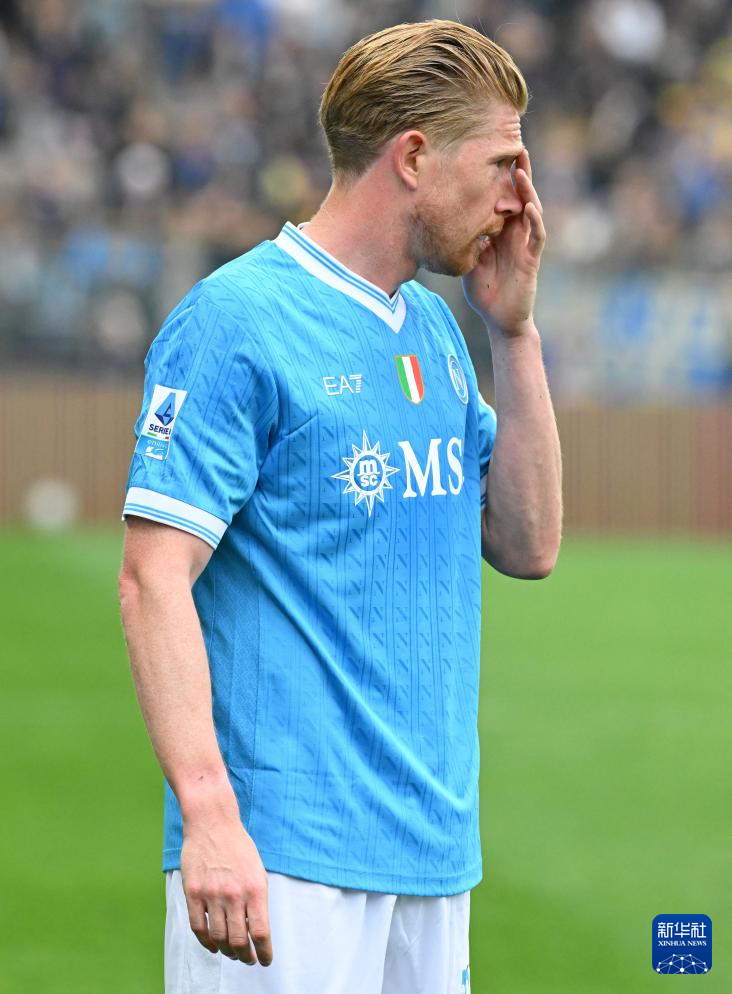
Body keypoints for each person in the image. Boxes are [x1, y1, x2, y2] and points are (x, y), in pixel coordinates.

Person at [118, 18, 562, 994]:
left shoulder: (436, 332)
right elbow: (153, 578)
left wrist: (515, 334)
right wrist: (210, 816)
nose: (521, 196)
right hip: (280, 858)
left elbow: (528, 543)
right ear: (414, 157)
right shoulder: (236, 321)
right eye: (503, 163)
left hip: (432, 854)